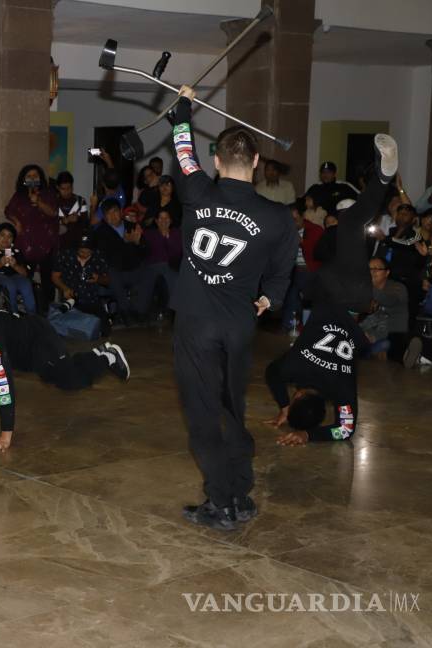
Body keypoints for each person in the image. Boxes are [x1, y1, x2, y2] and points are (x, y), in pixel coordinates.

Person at [169, 86, 298, 532]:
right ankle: (240, 494)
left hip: (196, 324)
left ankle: (220, 502)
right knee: (231, 409)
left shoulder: (196, 189)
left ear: (218, 161)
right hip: (240, 326)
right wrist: (270, 299)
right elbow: (284, 267)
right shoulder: (277, 216)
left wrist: (182, 108)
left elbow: (183, 150)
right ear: (256, 162)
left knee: (204, 415)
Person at [263, 135, 399, 446]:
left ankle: (383, 177)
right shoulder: (294, 368)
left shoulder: (341, 389)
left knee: (347, 227)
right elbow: (271, 373)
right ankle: (383, 178)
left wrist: (309, 434)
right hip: (330, 289)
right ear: (298, 396)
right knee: (348, 225)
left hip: (358, 297)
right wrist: (283, 405)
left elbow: (345, 430)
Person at [0, 309, 130, 452]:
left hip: (37, 337)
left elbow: (3, 384)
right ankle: (97, 354)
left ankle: (108, 356)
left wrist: (5, 436)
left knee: (69, 381)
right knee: (53, 374)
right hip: (21, 349)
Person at [5, 164, 59, 312]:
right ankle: (27, 310)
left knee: (47, 281)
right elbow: (8, 211)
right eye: (29, 176)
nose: (32, 178)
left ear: (41, 178)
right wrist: (16, 222)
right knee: (24, 278)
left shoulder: (48, 194)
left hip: (46, 244)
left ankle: (47, 312)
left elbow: (54, 213)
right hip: (25, 244)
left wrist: (38, 201)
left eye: (35, 175)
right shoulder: (19, 195)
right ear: (23, 179)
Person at [92, 198, 152, 326]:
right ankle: (125, 312)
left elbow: (146, 252)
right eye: (108, 214)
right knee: (112, 272)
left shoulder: (132, 226)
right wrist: (125, 243)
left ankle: (139, 311)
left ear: (120, 211)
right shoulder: (101, 232)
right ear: (104, 217)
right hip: (116, 271)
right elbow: (108, 257)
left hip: (134, 269)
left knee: (149, 270)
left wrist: (138, 243)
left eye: (114, 211)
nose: (112, 216)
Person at [279, 201, 324, 332]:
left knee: (306, 302)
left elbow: (316, 252)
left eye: (295, 219)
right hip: (296, 272)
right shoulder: (287, 231)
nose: (292, 223)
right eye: (289, 220)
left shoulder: (315, 229)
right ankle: (289, 327)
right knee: (292, 300)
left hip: (312, 272)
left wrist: (298, 239)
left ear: (302, 216)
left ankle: (304, 328)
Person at [0, 223, 35, 314]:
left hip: (14, 276)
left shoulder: (16, 252)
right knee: (9, 284)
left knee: (26, 284)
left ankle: (32, 317)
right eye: (3, 235)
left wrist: (15, 265)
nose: (6, 239)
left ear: (13, 239)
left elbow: (25, 273)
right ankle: (13, 315)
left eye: (9, 236)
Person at [141, 208, 181, 311]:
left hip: (171, 265)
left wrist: (167, 237)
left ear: (170, 220)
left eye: (166, 218)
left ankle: (173, 309)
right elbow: (146, 251)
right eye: (161, 218)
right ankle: (142, 310)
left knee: (173, 277)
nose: (163, 221)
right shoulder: (149, 234)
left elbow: (177, 253)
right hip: (152, 266)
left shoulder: (176, 233)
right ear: (156, 221)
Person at [54, 171, 90, 250]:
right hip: (58, 246)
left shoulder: (81, 201)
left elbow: (86, 224)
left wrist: (78, 219)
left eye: (69, 188)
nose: (66, 191)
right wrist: (64, 221)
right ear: (58, 187)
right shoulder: (53, 202)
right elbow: (49, 225)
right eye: (63, 189)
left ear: (72, 186)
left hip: (77, 246)